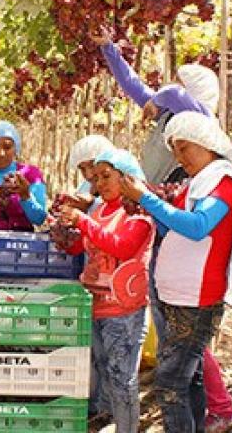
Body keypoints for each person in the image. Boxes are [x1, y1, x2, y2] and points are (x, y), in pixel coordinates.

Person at [93, 28, 232, 429]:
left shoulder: (199, 138)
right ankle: (207, 411)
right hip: (164, 227)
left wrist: (145, 198)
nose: (176, 151)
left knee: (181, 352)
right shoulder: (175, 128)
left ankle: (221, 407)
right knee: (180, 342)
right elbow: (135, 87)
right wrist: (108, 48)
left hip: (185, 249)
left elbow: (196, 225)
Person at [120, 112, 232, 433]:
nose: (180, 158)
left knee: (169, 381)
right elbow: (171, 226)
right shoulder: (196, 183)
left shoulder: (223, 182)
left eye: (184, 148)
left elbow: (198, 226)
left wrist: (147, 199)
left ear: (206, 143)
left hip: (199, 296)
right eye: (175, 151)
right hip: (178, 293)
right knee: (189, 377)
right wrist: (144, 206)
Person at [58, 149, 154, 433]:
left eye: (107, 176)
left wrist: (83, 222)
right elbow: (80, 245)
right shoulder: (100, 209)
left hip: (124, 308)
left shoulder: (138, 211)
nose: (100, 183)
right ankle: (107, 418)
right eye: (96, 178)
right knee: (103, 365)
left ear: (127, 177)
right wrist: (65, 230)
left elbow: (123, 247)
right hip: (97, 303)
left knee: (122, 376)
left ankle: (126, 427)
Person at [92, 27, 219, 184]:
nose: (170, 84)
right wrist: (107, 46)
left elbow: (173, 94)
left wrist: (156, 99)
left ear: (192, 89)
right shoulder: (169, 113)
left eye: (178, 81)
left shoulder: (200, 117)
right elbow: (131, 84)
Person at [64, 134, 115, 421]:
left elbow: (115, 238)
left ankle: (110, 411)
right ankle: (96, 407)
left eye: (93, 169)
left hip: (117, 290)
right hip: (93, 282)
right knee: (96, 350)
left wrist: (84, 218)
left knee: (113, 355)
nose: (89, 176)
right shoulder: (89, 189)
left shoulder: (121, 193)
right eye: (83, 170)